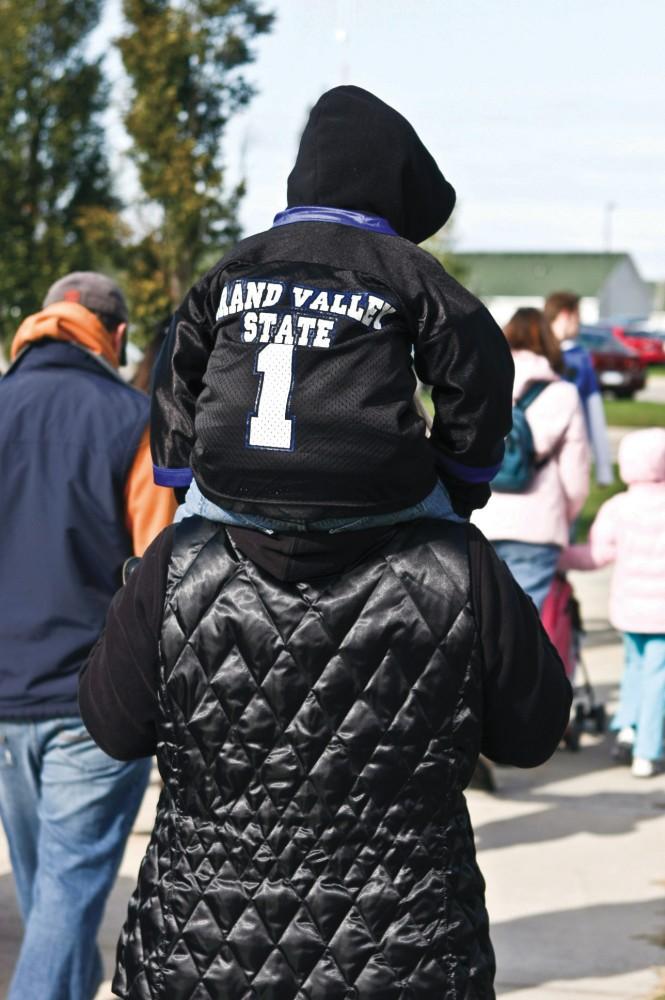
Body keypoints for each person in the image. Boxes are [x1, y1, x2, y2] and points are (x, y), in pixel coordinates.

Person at [80, 509, 572, 999]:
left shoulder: (180, 559)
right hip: (405, 951)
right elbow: (531, 735)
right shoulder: (456, 562)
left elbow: (115, 727)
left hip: (202, 948)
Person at [151, 84, 514, 532]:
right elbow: (479, 367)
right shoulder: (404, 267)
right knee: (486, 586)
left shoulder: (235, 264)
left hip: (230, 487)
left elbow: (173, 372)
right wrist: (462, 480)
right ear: (396, 183)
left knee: (152, 583)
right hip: (374, 493)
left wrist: (183, 480)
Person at [0, 272, 177, 1000]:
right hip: (90, 703)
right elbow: (157, 567)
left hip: (5, 698)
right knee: (63, 906)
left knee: (53, 906)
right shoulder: (134, 419)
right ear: (119, 335)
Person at [561, 428, 665, 778]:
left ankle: (627, 729)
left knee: (634, 666)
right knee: (657, 676)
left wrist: (559, 558)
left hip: (629, 608)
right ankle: (648, 751)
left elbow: (598, 554)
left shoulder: (618, 507)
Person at [473, 307, 590, 611]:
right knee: (525, 627)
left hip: (480, 519)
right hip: (537, 526)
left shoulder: (482, 385)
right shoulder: (564, 394)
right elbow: (576, 478)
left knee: (480, 623)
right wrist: (565, 519)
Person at [544, 290, 613, 487]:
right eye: (578, 316)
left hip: (531, 452)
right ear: (567, 314)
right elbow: (595, 412)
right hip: (571, 452)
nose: (580, 323)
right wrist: (603, 470)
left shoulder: (531, 354)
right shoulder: (580, 359)